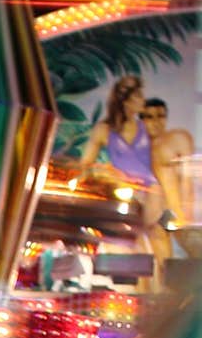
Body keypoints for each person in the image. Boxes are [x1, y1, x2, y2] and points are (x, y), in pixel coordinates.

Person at [79, 74, 170, 271]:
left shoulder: (145, 126)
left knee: (152, 226)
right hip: (122, 188)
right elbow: (85, 163)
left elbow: (164, 150)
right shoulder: (104, 130)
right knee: (126, 227)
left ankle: (162, 273)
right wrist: (106, 173)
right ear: (126, 101)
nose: (142, 101)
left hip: (149, 189)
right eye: (138, 97)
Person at [141, 97, 198, 255]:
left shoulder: (177, 138)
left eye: (161, 116)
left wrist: (187, 214)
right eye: (150, 117)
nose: (156, 122)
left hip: (178, 212)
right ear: (142, 120)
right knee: (162, 263)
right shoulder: (140, 149)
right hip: (155, 216)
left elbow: (189, 178)